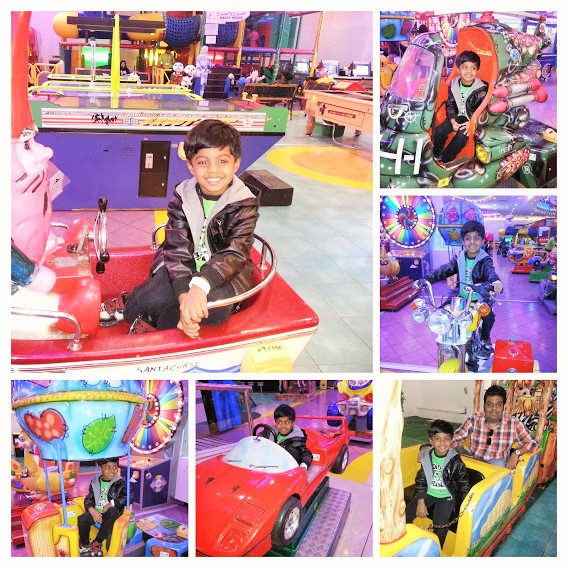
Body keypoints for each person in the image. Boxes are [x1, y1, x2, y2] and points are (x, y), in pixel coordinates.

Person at [101, 120, 261, 337]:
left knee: (214, 309)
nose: (213, 170)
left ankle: (159, 322)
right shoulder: (183, 196)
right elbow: (177, 247)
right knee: (155, 295)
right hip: (183, 264)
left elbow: (234, 253)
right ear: (191, 166)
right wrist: (185, 293)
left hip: (225, 274)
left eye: (222, 161)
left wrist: (200, 286)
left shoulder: (245, 203)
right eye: (203, 162)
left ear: (235, 164)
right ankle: (131, 304)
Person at [424, 219, 503, 356]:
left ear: (482, 241)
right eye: (468, 238)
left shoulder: (485, 260)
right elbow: (444, 270)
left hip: (479, 297)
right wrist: (426, 279)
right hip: (460, 296)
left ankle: (485, 338)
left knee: (488, 316)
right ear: (463, 241)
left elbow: (490, 272)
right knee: (442, 312)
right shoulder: (459, 258)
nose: (472, 242)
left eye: (476, 238)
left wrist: (495, 282)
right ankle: (445, 334)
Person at [406, 420, 470, 548]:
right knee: (407, 513)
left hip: (446, 496)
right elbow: (421, 480)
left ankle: (436, 548)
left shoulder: (456, 462)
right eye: (437, 439)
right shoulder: (426, 457)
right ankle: (405, 540)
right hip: (428, 492)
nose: (442, 443)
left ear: (451, 440)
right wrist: (421, 502)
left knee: (440, 525)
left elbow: (463, 484)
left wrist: (465, 505)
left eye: (446, 439)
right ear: (431, 441)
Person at [452, 385, 539, 469]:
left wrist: (516, 453)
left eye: (498, 405)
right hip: (475, 465)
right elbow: (456, 438)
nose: (494, 409)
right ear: (484, 406)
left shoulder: (514, 423)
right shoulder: (474, 419)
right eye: (489, 404)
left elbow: (534, 443)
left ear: (503, 407)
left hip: (497, 470)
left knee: (499, 463)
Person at [433, 50, 488, 163]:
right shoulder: (453, 84)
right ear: (458, 69)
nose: (469, 71)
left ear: (477, 70)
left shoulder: (482, 89)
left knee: (461, 137)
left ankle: (445, 160)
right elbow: (450, 104)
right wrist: (452, 120)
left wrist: (472, 123)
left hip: (471, 119)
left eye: (473, 68)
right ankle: (436, 155)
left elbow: (484, 111)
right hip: (457, 116)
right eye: (465, 67)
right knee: (440, 130)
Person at [78, 457, 127, 557]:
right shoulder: (95, 481)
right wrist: (92, 510)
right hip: (97, 513)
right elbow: (89, 498)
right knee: (82, 519)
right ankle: (85, 544)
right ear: (100, 468)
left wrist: (112, 503)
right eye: (108, 467)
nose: (112, 470)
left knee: (112, 511)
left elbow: (128, 497)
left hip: (111, 515)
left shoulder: (120, 482)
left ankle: (98, 541)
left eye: (115, 467)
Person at [265, 404, 313, 469]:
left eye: (287, 422)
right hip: (268, 465)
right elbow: (259, 439)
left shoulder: (297, 440)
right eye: (279, 422)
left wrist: (303, 466)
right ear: (275, 422)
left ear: (292, 423)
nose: (283, 426)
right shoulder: (269, 431)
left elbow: (307, 453)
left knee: (292, 451)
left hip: (284, 468)